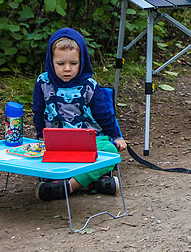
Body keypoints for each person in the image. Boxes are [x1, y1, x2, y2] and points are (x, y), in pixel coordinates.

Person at [32, 28, 128, 201]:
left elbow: (104, 114)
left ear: (81, 61)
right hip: (57, 141)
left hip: (91, 140)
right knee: (35, 157)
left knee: (111, 153)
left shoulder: (89, 85)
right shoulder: (43, 82)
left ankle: (67, 186)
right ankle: (92, 182)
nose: (67, 69)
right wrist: (40, 136)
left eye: (73, 63)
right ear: (51, 61)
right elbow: (38, 112)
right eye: (60, 64)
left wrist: (116, 136)